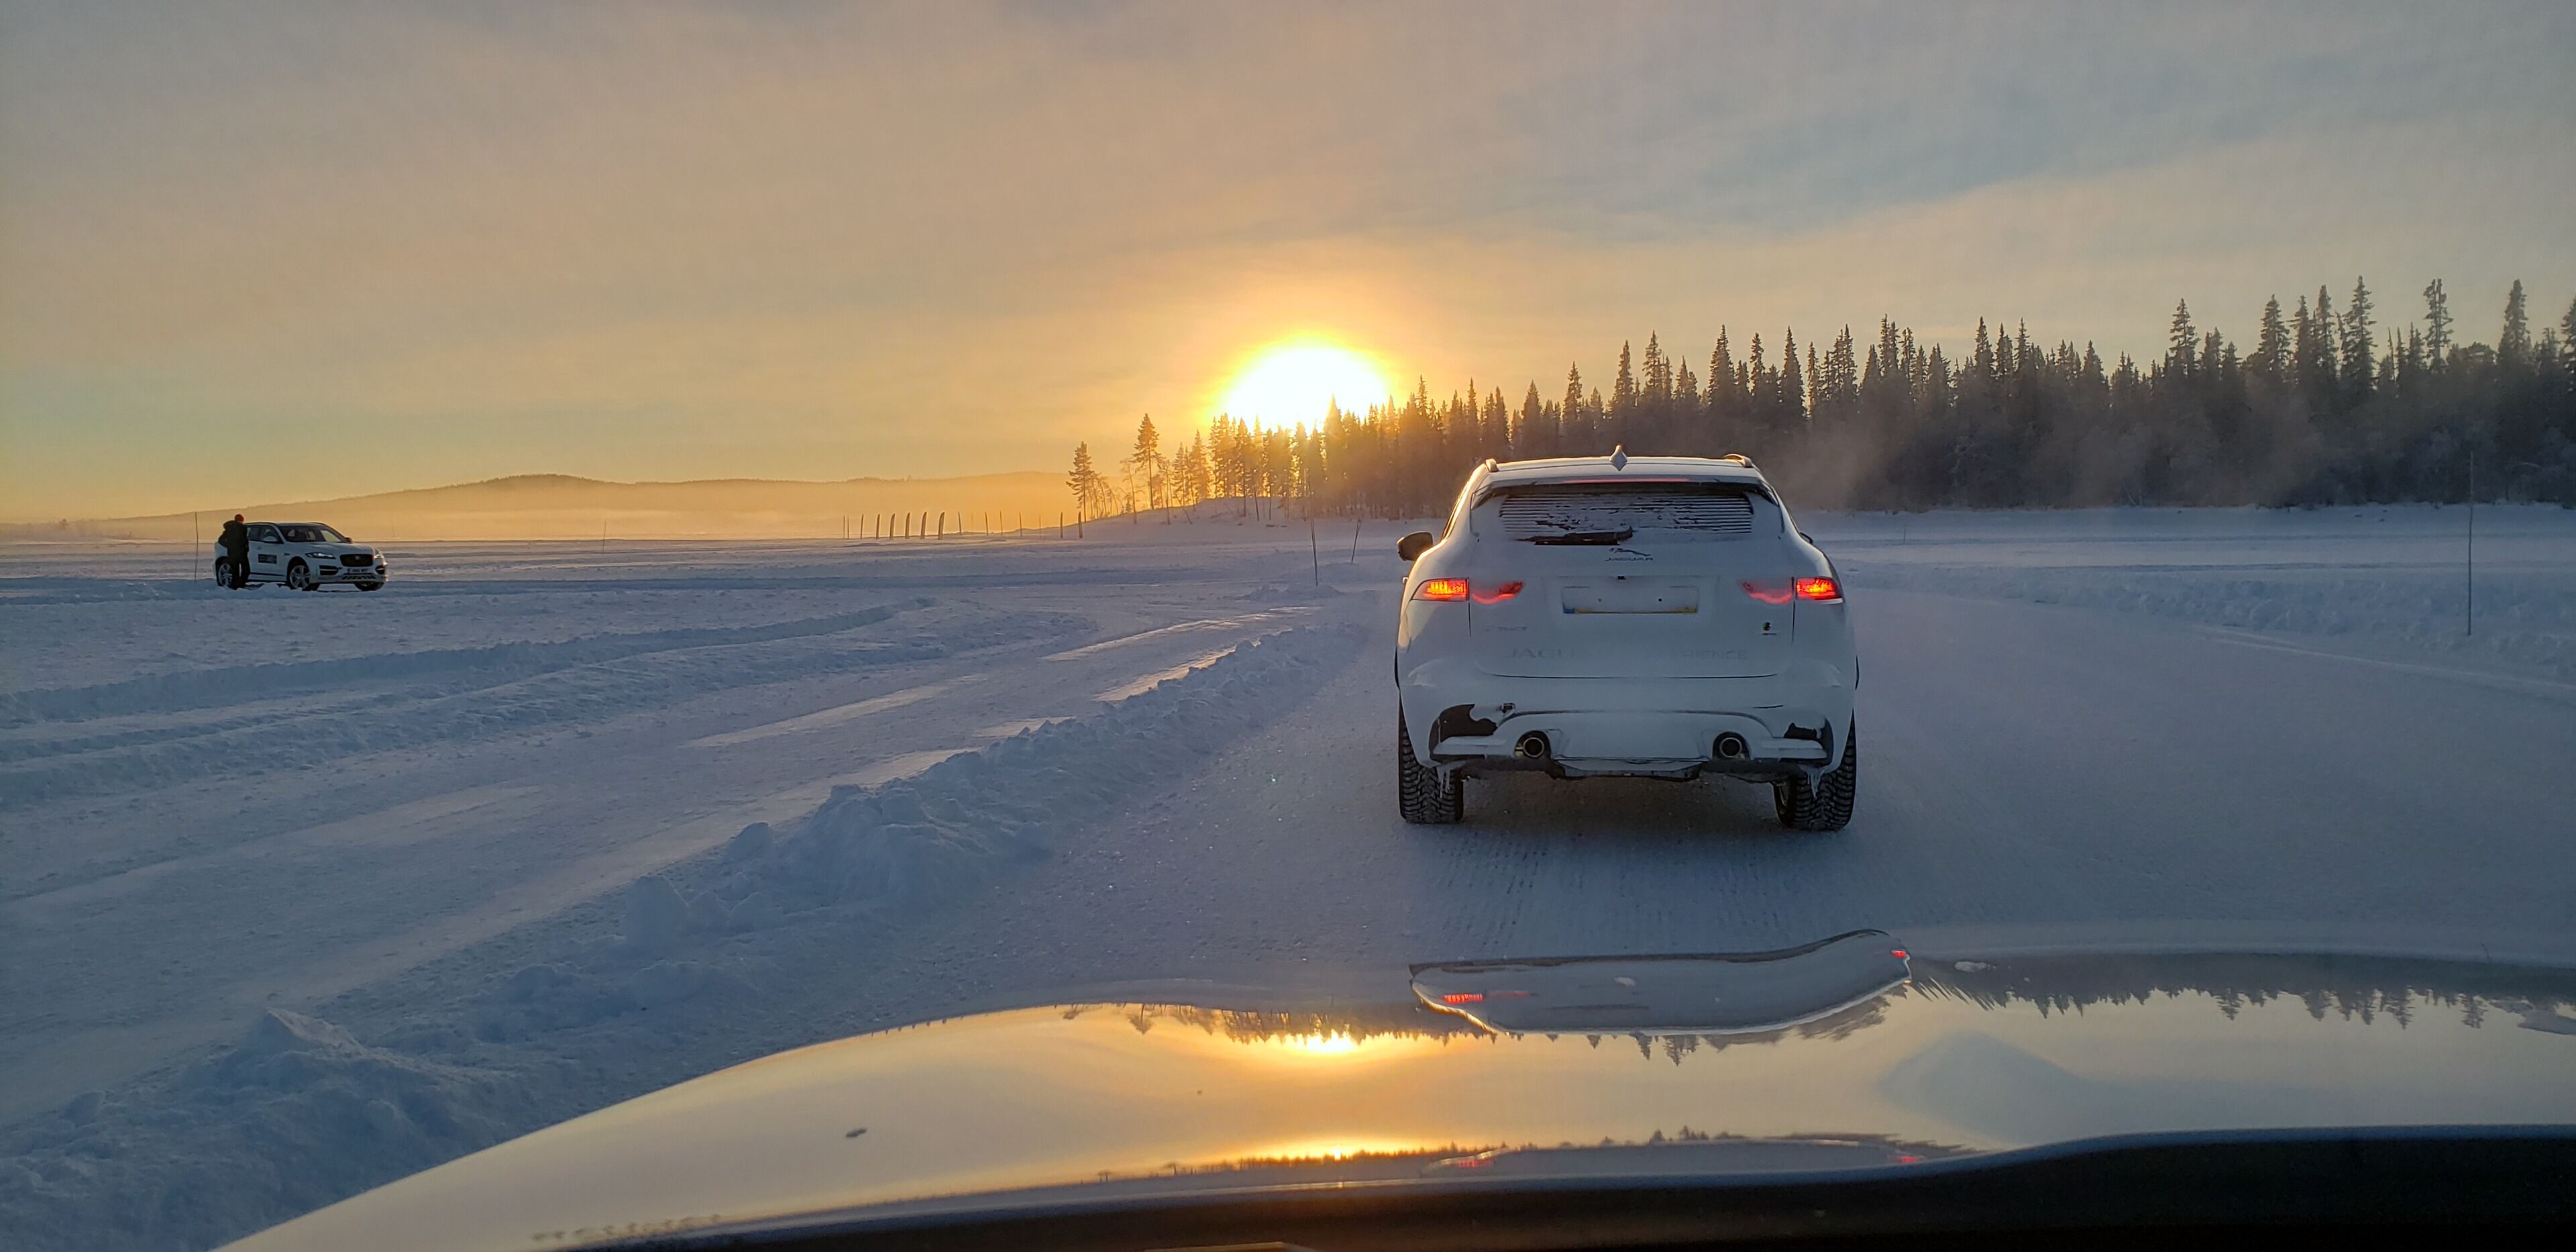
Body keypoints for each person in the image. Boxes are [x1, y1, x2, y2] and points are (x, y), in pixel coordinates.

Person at [219, 514, 249, 588]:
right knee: (246, 570)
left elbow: (221, 540)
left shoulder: (229, 529)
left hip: (232, 553)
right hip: (242, 553)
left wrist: (229, 546)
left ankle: (235, 585)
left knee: (235, 570)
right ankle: (240, 584)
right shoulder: (243, 529)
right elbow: (244, 541)